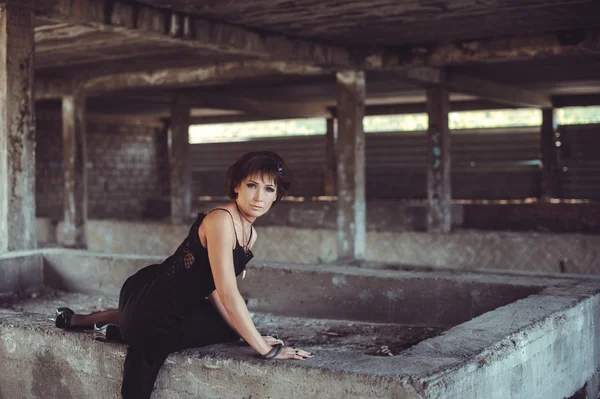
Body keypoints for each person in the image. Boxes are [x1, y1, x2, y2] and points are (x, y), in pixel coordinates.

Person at [52, 151, 313, 399]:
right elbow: (227, 292)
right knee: (195, 332)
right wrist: (263, 348)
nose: (259, 197)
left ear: (277, 195)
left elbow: (212, 287)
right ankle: (120, 331)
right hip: (153, 305)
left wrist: (247, 335)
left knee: (230, 325)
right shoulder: (221, 220)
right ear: (236, 186)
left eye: (269, 189)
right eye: (252, 185)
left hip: (173, 303)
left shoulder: (250, 235)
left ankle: (86, 322)